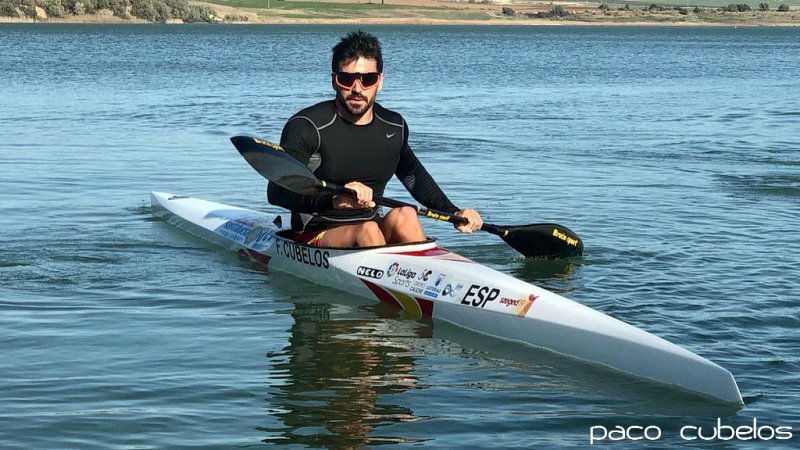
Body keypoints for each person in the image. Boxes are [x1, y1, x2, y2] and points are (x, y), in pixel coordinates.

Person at [268, 30, 483, 248]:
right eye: (347, 79)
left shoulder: (394, 126)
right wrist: (335, 199)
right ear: (334, 81)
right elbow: (276, 192)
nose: (357, 89)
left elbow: (415, 178)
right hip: (316, 231)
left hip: (371, 228)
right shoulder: (307, 126)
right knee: (368, 230)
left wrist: (454, 212)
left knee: (406, 214)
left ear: (379, 81)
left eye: (367, 79)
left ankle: (425, 267)